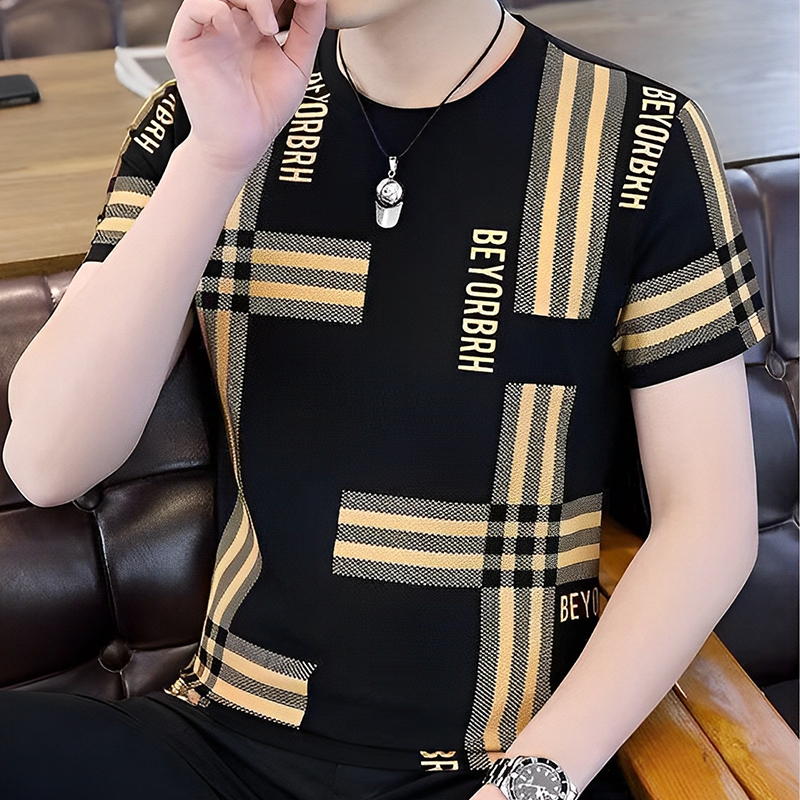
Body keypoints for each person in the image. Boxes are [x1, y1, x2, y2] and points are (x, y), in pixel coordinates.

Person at [0, 0, 771, 798]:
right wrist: (218, 153)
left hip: (494, 761)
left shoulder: (639, 138)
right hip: (227, 741)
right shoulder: (198, 111)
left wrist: (529, 784)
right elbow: (48, 462)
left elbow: (707, 523)